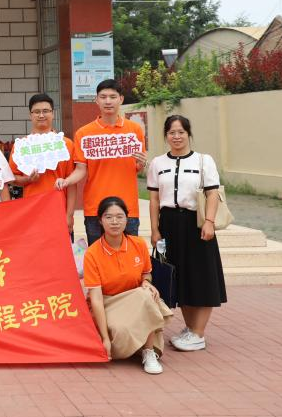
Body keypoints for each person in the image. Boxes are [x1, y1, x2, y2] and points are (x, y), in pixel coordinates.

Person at [148, 114, 227, 352]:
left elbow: (212, 193)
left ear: (188, 134)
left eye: (181, 132)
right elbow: (154, 200)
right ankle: (190, 328)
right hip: (169, 223)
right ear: (165, 136)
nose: (176, 137)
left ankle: (199, 333)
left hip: (197, 223)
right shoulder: (157, 163)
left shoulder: (204, 161)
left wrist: (209, 222)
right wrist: (155, 229)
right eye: (172, 132)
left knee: (201, 276)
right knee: (179, 277)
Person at [84, 196, 173, 375]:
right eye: (108, 217)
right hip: (108, 303)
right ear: (100, 220)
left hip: (134, 299)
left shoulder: (138, 244)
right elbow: (96, 299)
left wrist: (146, 282)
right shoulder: (92, 254)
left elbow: (146, 273)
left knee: (147, 295)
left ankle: (148, 351)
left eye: (119, 216)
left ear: (127, 219)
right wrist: (105, 338)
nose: (114, 222)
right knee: (119, 332)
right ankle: (132, 345)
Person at [73, 80, 146, 245]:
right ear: (96, 100)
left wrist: (142, 163)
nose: (108, 101)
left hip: (127, 208)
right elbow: (80, 169)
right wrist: (65, 181)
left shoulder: (134, 130)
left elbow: (138, 168)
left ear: (121, 99)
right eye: (103, 97)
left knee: (128, 254)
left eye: (113, 97)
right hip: (95, 208)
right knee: (97, 255)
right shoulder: (84, 133)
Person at [8, 94, 80, 233]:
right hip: (31, 212)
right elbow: (12, 178)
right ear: (30, 115)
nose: (41, 115)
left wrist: (69, 215)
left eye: (46, 111)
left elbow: (71, 183)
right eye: (37, 112)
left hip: (58, 211)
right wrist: (28, 180)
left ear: (53, 114)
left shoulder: (66, 144)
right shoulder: (21, 146)